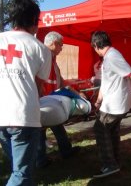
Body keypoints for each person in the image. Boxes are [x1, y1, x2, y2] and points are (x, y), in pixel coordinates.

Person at [0, 0, 52, 185]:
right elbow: (37, 88)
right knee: (22, 173)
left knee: (18, 167)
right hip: (23, 117)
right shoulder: (40, 49)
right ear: (35, 20)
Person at [91, 31, 131, 178]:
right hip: (112, 104)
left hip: (114, 105)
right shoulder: (109, 58)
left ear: (96, 45)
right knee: (111, 132)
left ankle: (110, 164)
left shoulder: (113, 56)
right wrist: (98, 100)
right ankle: (115, 161)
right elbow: (106, 83)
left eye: (93, 47)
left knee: (100, 129)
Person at [36, 31, 82, 168]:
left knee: (57, 126)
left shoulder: (52, 59)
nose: (62, 48)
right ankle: (41, 160)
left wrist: (73, 89)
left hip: (51, 101)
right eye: (61, 45)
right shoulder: (43, 57)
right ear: (53, 43)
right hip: (44, 101)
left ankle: (64, 151)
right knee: (40, 131)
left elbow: (59, 80)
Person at [36, 87, 91, 167]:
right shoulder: (82, 102)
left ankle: (41, 159)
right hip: (56, 108)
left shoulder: (64, 94)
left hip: (42, 103)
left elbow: (67, 88)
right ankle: (64, 152)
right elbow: (85, 108)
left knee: (41, 129)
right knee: (49, 127)